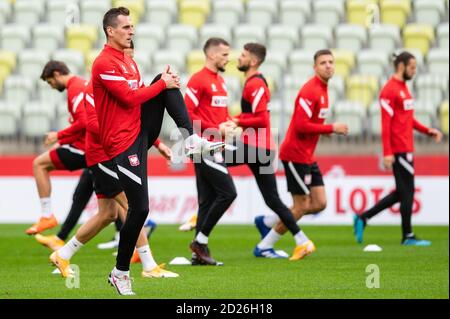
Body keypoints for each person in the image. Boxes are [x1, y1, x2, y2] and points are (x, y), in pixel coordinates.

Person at [92, 7, 222, 295]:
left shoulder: (128, 62)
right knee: (139, 209)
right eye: (125, 27)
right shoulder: (103, 63)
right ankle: (120, 272)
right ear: (110, 31)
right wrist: (162, 84)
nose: (131, 31)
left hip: (138, 131)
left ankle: (190, 141)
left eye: (132, 26)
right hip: (121, 144)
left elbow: (140, 98)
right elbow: (128, 98)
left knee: (165, 82)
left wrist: (159, 139)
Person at [49, 81, 178, 279]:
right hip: (101, 158)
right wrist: (120, 130)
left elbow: (134, 118)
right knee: (132, 206)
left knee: (107, 214)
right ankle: (149, 265)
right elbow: (90, 124)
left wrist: (158, 144)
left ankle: (62, 254)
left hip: (112, 156)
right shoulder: (92, 90)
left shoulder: (120, 86)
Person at [254, 49, 349, 260]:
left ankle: (268, 221)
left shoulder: (324, 91)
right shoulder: (311, 90)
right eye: (323, 62)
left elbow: (311, 124)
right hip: (295, 155)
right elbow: (300, 125)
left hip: (308, 155)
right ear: (315, 67)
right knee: (301, 206)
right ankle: (264, 246)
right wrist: (331, 128)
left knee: (319, 203)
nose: (328, 65)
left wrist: (325, 130)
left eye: (331, 62)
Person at [224, 43, 314, 259]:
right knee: (273, 200)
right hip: (261, 150)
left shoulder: (254, 85)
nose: (239, 57)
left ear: (253, 61)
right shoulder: (256, 82)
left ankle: (199, 218)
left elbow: (262, 119)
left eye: (243, 55)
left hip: (254, 148)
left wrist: (235, 119)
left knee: (212, 158)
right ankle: (302, 240)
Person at [353, 51, 442, 246]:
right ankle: (407, 236)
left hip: (406, 147)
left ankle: (364, 218)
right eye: (412, 67)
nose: (414, 71)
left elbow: (408, 119)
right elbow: (386, 124)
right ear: (401, 66)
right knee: (407, 192)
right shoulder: (389, 91)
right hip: (399, 149)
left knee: (402, 193)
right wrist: (387, 152)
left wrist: (428, 131)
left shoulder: (403, 88)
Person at [184, 38, 239, 266]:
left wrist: (230, 123)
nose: (228, 58)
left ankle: (199, 254)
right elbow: (187, 114)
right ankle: (200, 241)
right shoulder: (198, 80)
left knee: (206, 200)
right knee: (228, 193)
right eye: (225, 54)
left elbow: (221, 114)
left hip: (218, 144)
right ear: (212, 55)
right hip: (204, 147)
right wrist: (217, 129)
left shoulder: (221, 81)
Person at [26, 61, 89, 236]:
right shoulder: (81, 84)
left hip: (85, 148)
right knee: (110, 207)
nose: (52, 86)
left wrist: (59, 135)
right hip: (92, 147)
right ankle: (140, 247)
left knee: (39, 164)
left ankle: (47, 215)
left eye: (50, 82)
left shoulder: (75, 88)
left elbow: (84, 123)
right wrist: (63, 140)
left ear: (56, 74)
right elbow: (83, 124)